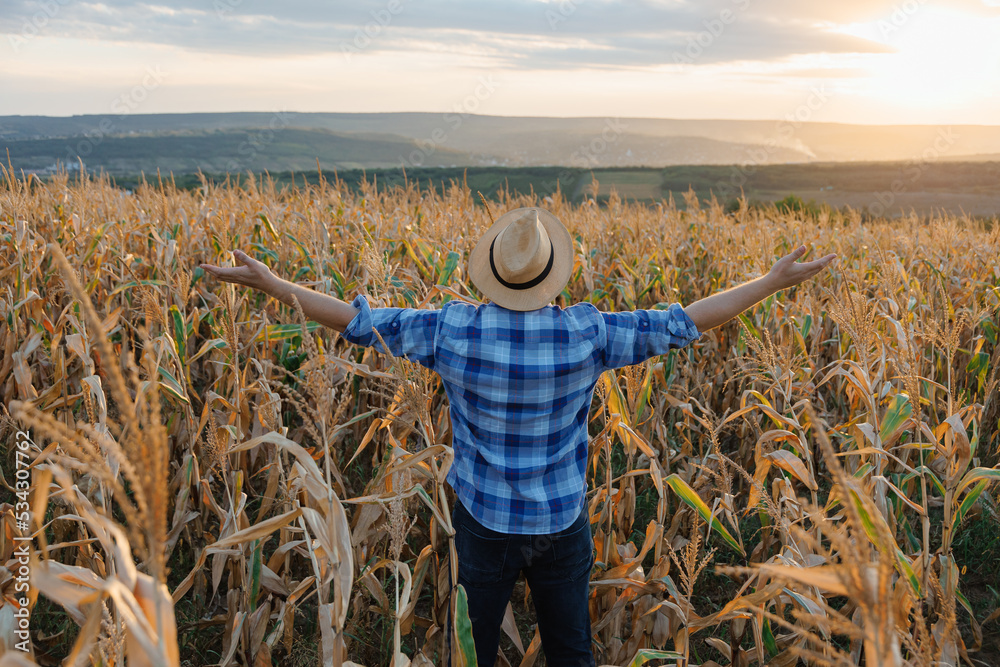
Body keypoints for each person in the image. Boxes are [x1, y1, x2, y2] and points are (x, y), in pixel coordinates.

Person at [201, 206, 836, 666]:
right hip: (561, 523)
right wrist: (772, 281)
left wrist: (276, 284)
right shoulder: (586, 334)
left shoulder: (455, 332)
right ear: (552, 274)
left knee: (474, 646)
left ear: (494, 275)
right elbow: (684, 322)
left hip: (485, 525)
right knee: (570, 652)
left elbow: (358, 322)